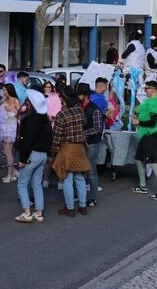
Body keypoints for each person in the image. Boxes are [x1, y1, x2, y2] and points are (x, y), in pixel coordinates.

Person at [51, 85, 91, 217]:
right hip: (80, 148)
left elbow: (56, 137)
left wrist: (52, 151)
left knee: (67, 179)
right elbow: (84, 125)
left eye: (60, 97)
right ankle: (83, 206)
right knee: (79, 178)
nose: (59, 98)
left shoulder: (61, 115)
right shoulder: (80, 110)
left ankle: (70, 208)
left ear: (64, 98)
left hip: (67, 148)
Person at [14, 88, 52, 223]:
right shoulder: (46, 119)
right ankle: (39, 212)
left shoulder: (30, 120)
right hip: (43, 155)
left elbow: (27, 141)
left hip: (32, 155)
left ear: (31, 104)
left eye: (27, 102)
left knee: (22, 183)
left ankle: (27, 213)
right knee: (37, 183)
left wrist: (22, 159)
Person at [130, 80, 157, 200]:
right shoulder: (151, 101)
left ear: (153, 89)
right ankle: (143, 186)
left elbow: (153, 122)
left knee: (153, 162)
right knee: (139, 159)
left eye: (146, 88)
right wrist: (138, 117)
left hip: (152, 135)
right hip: (147, 134)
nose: (145, 91)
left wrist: (138, 122)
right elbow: (148, 118)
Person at [77, 84, 104, 208]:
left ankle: (93, 197)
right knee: (79, 171)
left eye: (80, 94)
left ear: (85, 95)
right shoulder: (78, 106)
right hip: (81, 143)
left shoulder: (94, 109)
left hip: (92, 144)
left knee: (91, 172)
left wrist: (83, 133)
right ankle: (80, 195)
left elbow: (98, 128)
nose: (78, 97)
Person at [0, 82, 21, 182]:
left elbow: (19, 113)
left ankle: (10, 175)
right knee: (6, 151)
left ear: (9, 90)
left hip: (11, 128)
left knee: (9, 151)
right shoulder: (4, 100)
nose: (3, 92)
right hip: (3, 127)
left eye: (4, 90)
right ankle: (13, 171)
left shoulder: (15, 100)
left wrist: (12, 113)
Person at [42, 79, 61, 188]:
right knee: (52, 156)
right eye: (46, 87)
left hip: (54, 128)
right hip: (52, 129)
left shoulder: (54, 98)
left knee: (53, 156)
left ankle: (51, 180)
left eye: (50, 87)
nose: (48, 89)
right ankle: (51, 180)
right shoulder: (46, 98)